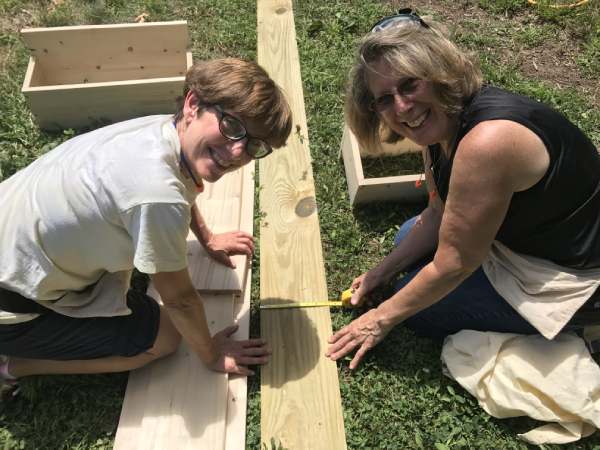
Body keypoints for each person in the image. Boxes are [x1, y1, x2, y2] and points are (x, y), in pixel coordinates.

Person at [326, 9, 600, 369]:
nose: (402, 108)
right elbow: (439, 211)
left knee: (423, 312)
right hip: (520, 244)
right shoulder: (441, 124)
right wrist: (380, 272)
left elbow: (455, 263)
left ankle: (583, 326)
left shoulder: (487, 143)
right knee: (408, 240)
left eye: (410, 85)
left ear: (438, 73)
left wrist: (378, 320)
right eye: (385, 99)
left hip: (571, 279)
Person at [0, 58, 292, 387]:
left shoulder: (163, 130)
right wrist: (211, 353)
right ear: (193, 104)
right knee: (165, 338)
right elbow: (181, 299)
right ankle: (15, 366)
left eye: (254, 145)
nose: (239, 150)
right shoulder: (157, 195)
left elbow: (181, 185)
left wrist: (207, 237)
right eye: (232, 126)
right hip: (13, 308)